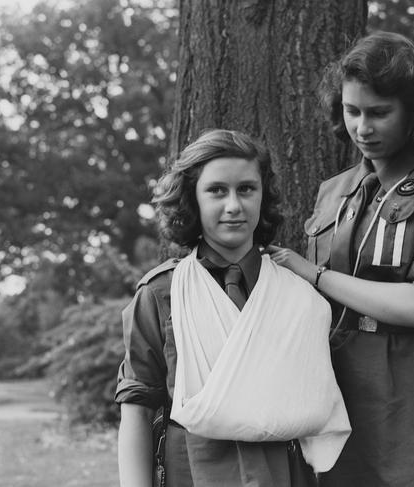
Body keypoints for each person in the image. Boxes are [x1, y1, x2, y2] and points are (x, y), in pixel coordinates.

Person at [268, 31, 414, 486]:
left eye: (379, 113)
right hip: (332, 379)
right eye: (352, 111)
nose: (362, 128)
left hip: (408, 378)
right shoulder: (333, 191)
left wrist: (314, 274)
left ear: (412, 111)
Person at [115, 129, 350, 487]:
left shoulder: (298, 293)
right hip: (192, 471)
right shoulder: (161, 293)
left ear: (262, 195)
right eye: (216, 191)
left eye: (246, 189)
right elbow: (136, 409)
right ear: (192, 199)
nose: (233, 206)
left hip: (283, 471)